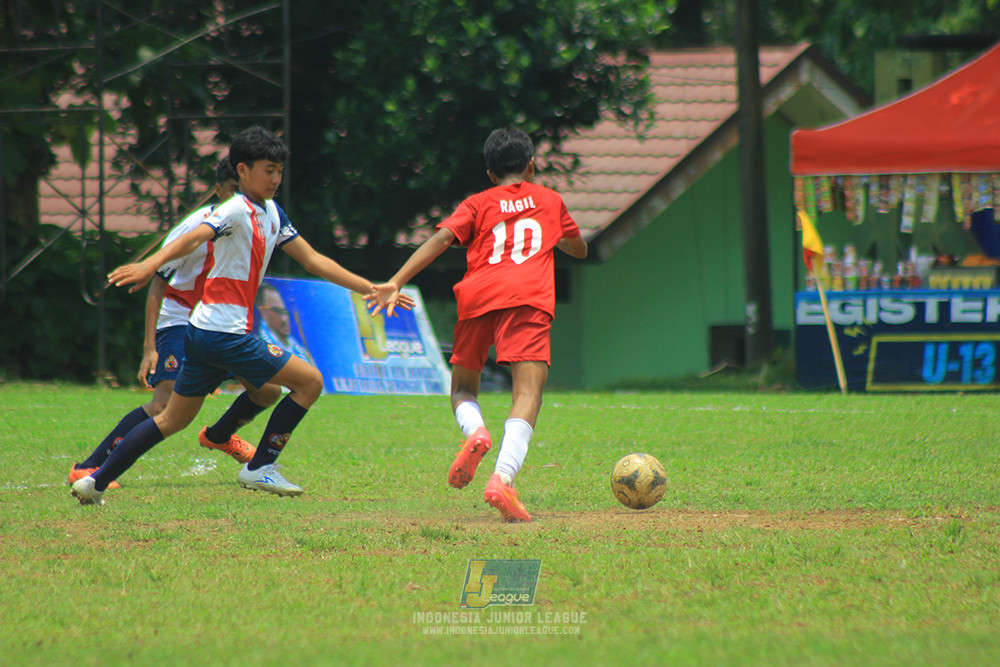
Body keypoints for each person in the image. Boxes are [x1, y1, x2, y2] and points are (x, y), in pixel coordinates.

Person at [71, 126, 413, 505]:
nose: (275, 179)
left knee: (171, 420)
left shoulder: (273, 213)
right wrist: (149, 263)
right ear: (243, 171)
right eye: (268, 170)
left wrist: (371, 287)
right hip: (224, 333)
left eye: (279, 171)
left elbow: (313, 260)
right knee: (310, 382)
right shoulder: (234, 208)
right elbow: (194, 236)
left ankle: (94, 482)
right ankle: (259, 467)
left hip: (204, 332)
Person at [369, 126, 587, 523]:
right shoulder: (550, 200)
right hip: (527, 299)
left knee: (463, 388)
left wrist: (397, 280)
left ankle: (476, 434)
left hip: (478, 297)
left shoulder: (476, 202)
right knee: (528, 393)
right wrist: (559, 238)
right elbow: (579, 247)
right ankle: (502, 478)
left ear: (490, 173)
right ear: (532, 166)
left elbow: (440, 240)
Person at [68, 159, 281, 487]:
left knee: (266, 391)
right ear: (218, 190)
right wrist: (150, 347)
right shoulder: (200, 225)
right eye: (232, 192)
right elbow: (158, 281)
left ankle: (220, 435)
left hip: (224, 327)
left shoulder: (256, 219)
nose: (239, 199)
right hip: (182, 321)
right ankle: (91, 466)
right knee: (163, 402)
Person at [255, 282, 315, 365]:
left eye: (284, 312)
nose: (283, 319)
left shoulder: (297, 348)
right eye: (276, 311)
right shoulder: (259, 347)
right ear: (263, 312)